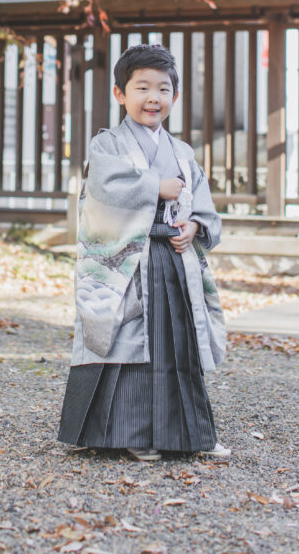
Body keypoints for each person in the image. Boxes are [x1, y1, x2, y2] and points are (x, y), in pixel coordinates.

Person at [58, 43, 229, 462]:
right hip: (127, 262)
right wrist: (154, 185)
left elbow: (205, 209)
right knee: (129, 342)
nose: (154, 98)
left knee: (177, 346)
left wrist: (194, 226)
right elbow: (102, 189)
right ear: (120, 94)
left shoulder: (183, 153)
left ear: (175, 96)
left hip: (172, 259)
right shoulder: (107, 146)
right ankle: (129, 433)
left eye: (164, 89)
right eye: (142, 88)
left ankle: (189, 435)